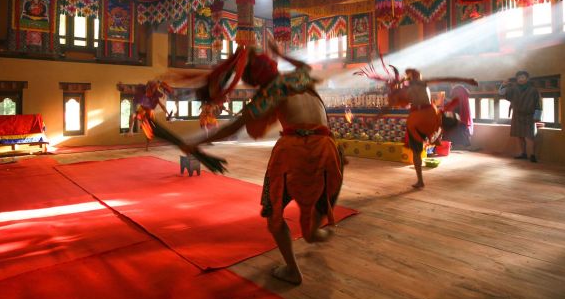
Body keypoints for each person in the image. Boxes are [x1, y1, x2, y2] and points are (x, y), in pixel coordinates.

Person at [185, 40, 344, 285]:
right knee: (322, 201)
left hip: (294, 153)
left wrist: (196, 143)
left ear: (255, 79)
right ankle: (313, 233)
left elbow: (234, 126)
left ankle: (293, 270)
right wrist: (282, 54)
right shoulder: (299, 78)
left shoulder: (270, 92)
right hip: (328, 149)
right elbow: (303, 64)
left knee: (273, 212)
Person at [356, 63, 477, 189]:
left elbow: (387, 108)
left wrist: (374, 119)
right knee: (421, 146)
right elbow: (447, 79)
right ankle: (421, 178)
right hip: (428, 116)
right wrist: (467, 80)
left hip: (419, 119)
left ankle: (420, 180)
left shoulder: (411, 87)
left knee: (417, 151)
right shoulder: (416, 85)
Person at [499, 71, 542, 162]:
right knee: (520, 136)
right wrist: (504, 85)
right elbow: (502, 93)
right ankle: (524, 154)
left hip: (530, 116)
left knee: (531, 137)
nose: (521, 79)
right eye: (519, 78)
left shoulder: (533, 90)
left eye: (523, 77)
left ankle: (533, 155)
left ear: (527, 79)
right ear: (517, 79)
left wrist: (537, 116)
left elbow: (538, 104)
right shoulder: (513, 89)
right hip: (517, 115)